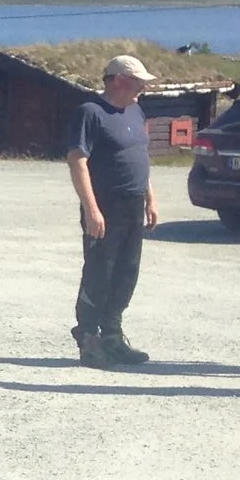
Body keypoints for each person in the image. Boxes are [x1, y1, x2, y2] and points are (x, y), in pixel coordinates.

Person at [67, 54, 159, 365]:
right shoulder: (90, 112)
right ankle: (89, 339)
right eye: (139, 82)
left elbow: (138, 155)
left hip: (133, 203)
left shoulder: (135, 110)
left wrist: (150, 198)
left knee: (126, 272)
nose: (143, 89)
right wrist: (92, 210)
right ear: (118, 80)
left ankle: (113, 337)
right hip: (105, 204)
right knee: (99, 272)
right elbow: (77, 160)